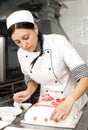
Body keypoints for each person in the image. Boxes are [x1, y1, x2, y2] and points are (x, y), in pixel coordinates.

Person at [6, 10, 88, 122]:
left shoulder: (58, 42)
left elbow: (84, 75)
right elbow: (29, 77)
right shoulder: (21, 53)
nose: (24, 45)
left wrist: (70, 100)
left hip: (72, 101)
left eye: (26, 37)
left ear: (35, 28)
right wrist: (29, 91)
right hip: (46, 104)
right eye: (17, 42)